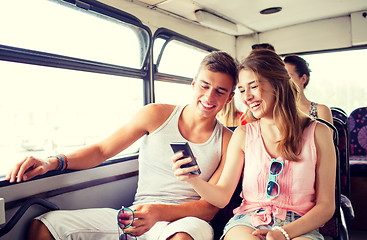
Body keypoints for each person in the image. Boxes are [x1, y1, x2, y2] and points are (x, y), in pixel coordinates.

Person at [6, 51, 238, 240]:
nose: (209, 97)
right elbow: (102, 151)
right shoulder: (156, 115)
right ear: (194, 84)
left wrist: (159, 212)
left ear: (229, 98)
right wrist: (52, 162)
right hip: (137, 214)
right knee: (45, 226)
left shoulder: (228, 140)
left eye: (220, 91)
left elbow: (209, 207)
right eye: (205, 86)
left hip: (184, 223)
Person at [173, 49, 336, 240]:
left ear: (277, 85)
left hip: (300, 225)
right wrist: (192, 179)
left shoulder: (319, 133)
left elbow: (326, 206)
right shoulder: (243, 135)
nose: (247, 97)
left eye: (254, 87)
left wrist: (283, 233)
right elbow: (222, 196)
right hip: (248, 221)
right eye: (242, 90)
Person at [284, 55, 333, 124]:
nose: (283, 81)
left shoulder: (321, 110)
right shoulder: (278, 111)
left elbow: (327, 134)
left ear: (303, 79)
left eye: (288, 76)